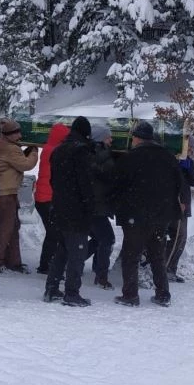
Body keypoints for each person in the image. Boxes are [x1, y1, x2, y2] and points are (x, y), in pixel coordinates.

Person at [112, 121, 183, 307]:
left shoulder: (131, 158)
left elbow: (118, 184)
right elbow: (180, 185)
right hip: (161, 217)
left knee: (131, 255)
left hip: (136, 216)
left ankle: (130, 295)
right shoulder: (168, 157)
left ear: (136, 138)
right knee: (157, 255)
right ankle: (163, 294)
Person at [44, 116, 95, 307]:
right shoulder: (81, 152)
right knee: (77, 253)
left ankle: (51, 288)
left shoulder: (58, 151)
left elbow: (52, 181)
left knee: (62, 250)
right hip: (76, 210)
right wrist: (90, 206)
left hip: (59, 206)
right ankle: (72, 293)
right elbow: (85, 184)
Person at [0, 118, 38, 273]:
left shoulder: (0, 144)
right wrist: (35, 152)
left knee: (11, 227)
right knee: (6, 228)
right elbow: (26, 164)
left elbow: (14, 160)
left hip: (3, 191)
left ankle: (11, 260)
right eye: (17, 133)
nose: (20, 136)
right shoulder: (10, 148)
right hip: (6, 193)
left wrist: (25, 152)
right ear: (10, 134)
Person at [33, 123, 69, 274]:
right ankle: (46, 265)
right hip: (48, 198)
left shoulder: (48, 148)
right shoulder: (56, 151)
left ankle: (47, 263)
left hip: (43, 197)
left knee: (53, 232)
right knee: (54, 233)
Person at [87, 124, 116, 289]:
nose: (111, 140)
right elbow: (107, 177)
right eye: (108, 137)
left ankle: (68, 260)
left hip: (93, 205)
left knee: (100, 238)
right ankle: (101, 276)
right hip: (96, 206)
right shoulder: (101, 155)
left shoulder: (92, 153)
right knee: (107, 239)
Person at [166, 152, 194, 283]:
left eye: (192, 147)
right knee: (175, 236)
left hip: (184, 205)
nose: (190, 149)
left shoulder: (188, 162)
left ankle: (171, 268)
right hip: (172, 204)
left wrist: (189, 168)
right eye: (189, 146)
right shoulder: (169, 159)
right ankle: (162, 268)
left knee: (181, 238)